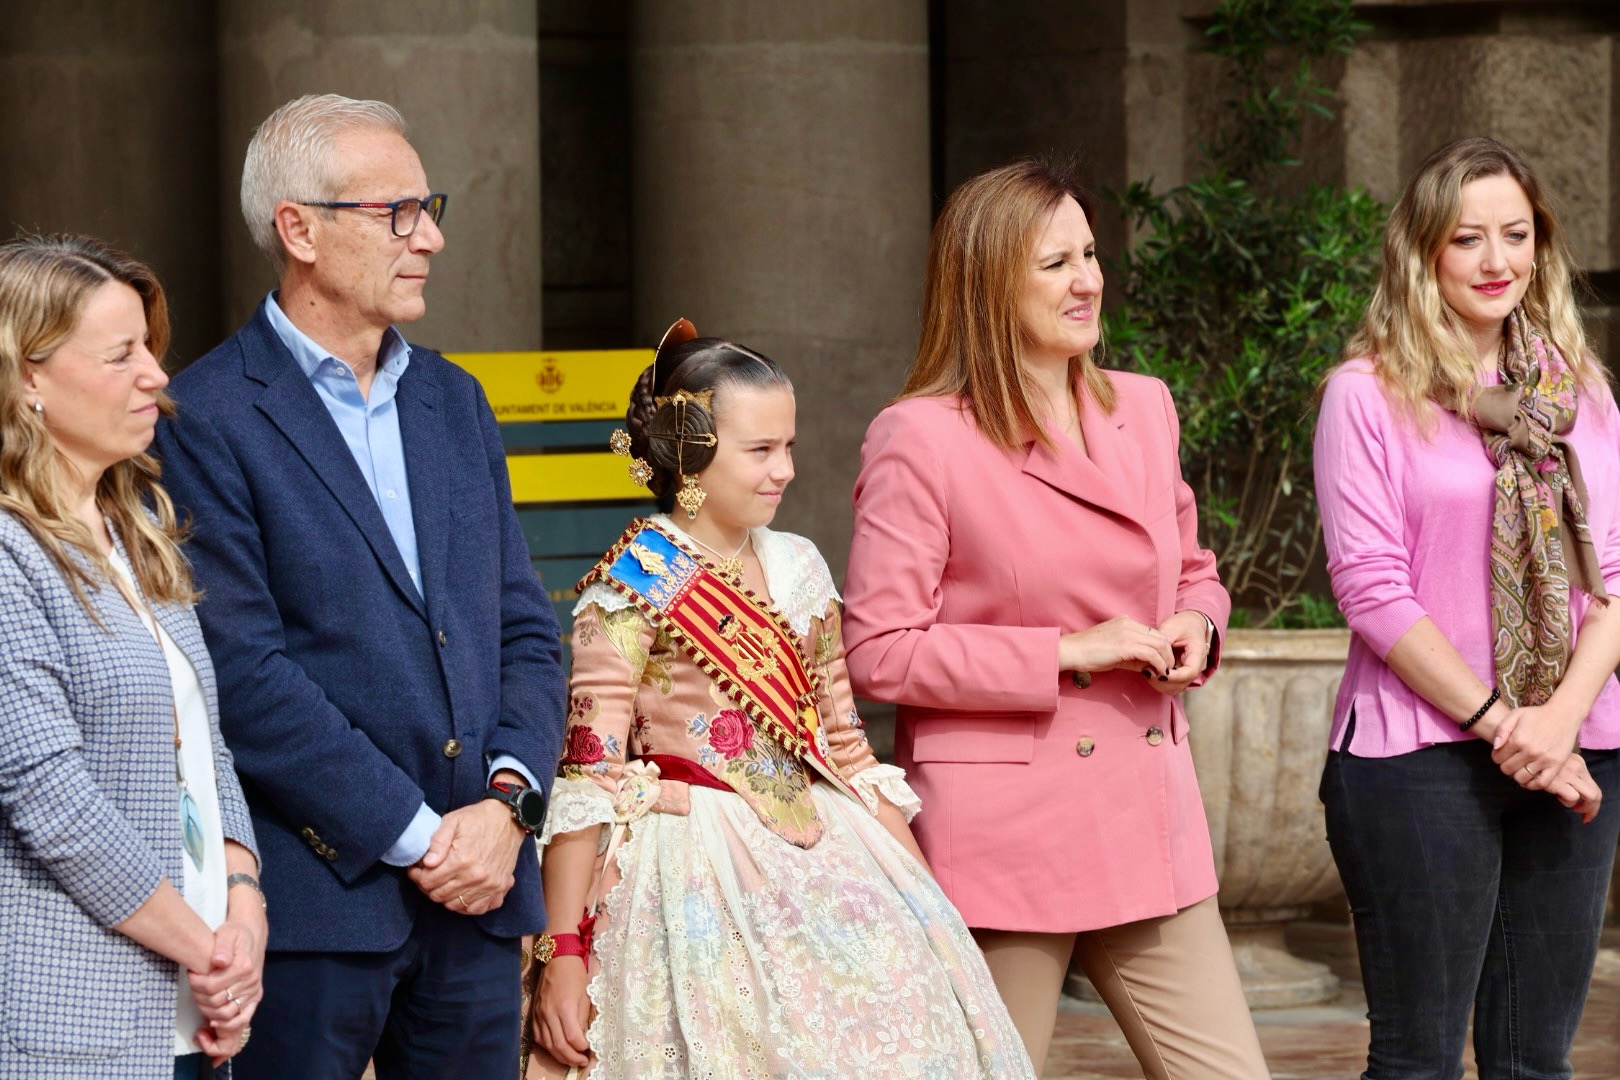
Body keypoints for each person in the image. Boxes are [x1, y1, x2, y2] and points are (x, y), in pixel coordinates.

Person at [152, 94, 567, 1079]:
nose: (428, 237)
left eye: (430, 208)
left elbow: (523, 631)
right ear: (298, 229)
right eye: (397, 212)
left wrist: (508, 808)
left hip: (478, 900)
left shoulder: (455, 400)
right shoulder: (203, 415)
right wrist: (419, 839)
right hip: (318, 905)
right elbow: (242, 674)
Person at [842, 159, 1269, 1079]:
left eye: (1090, 254)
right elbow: (878, 649)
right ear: (989, 282)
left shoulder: (1144, 408)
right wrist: (1069, 651)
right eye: (1056, 264)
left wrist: (1197, 625)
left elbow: (1195, 569)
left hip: (1146, 812)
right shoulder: (921, 436)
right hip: (1005, 836)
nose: (1088, 281)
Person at [529, 320, 1035, 1078]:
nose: (785, 471)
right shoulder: (632, 581)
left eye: (789, 446)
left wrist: (928, 903)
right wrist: (563, 950)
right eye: (760, 450)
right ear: (691, 452)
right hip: (693, 863)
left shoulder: (799, 563)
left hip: (831, 844)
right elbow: (589, 777)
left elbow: (847, 747)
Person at [1314, 135, 1620, 1079]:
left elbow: (1613, 575)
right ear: (1423, 252)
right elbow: (1371, 588)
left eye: (1515, 235)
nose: (1497, 262)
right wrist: (1506, 726)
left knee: (1536, 1061)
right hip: (1419, 756)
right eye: (1467, 238)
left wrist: (1558, 723)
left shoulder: (1581, 398)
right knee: (1419, 1061)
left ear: (1541, 245)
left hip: (1577, 741)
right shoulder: (1367, 395)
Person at [0, 233, 263, 1079]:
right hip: (76, 1021)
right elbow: (50, 796)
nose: (155, 375)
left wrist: (245, 903)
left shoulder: (135, 526)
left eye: (149, 348)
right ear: (27, 378)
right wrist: (211, 951)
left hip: (193, 1014)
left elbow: (205, 745)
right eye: (121, 355)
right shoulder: (9, 552)